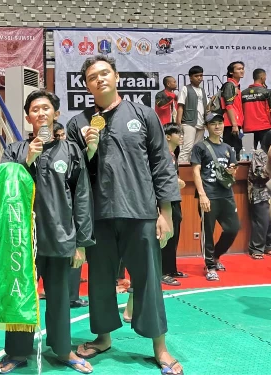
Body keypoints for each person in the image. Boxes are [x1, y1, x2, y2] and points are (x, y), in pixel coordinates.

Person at [66, 55, 183, 375]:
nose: (100, 79)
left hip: (141, 212)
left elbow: (162, 165)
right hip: (98, 216)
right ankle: (103, 338)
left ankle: (160, 348)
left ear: (116, 77)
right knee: (100, 282)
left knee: (148, 281)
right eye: (92, 76)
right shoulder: (78, 123)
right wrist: (89, 151)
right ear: (86, 85)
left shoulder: (142, 114)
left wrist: (166, 213)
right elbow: (75, 175)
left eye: (105, 73)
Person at [0, 89, 95, 374]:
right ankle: (16, 352)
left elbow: (83, 197)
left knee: (61, 297)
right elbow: (4, 188)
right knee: (21, 297)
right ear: (27, 117)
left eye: (45, 108)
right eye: (35, 110)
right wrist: (26, 160)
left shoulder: (72, 151)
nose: (40, 113)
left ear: (55, 114)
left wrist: (81, 243)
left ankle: (63, 349)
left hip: (61, 237)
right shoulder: (13, 150)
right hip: (22, 240)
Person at [191, 113, 240, 281]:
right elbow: (196, 171)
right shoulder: (200, 147)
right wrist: (202, 195)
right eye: (213, 124)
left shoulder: (228, 148)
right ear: (206, 127)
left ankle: (217, 255)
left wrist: (231, 171)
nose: (217, 126)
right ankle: (210, 266)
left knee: (233, 228)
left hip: (226, 195)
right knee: (208, 232)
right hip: (209, 195)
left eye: (220, 123)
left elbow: (233, 172)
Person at [161, 124, 188, 286]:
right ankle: (161, 272)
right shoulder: (163, 155)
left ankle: (171, 268)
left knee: (174, 234)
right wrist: (178, 182)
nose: (181, 136)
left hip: (175, 199)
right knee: (166, 235)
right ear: (167, 136)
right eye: (177, 133)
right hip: (166, 201)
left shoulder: (173, 155)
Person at [246, 131, 271, 259]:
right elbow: (259, 175)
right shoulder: (259, 153)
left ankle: (269, 246)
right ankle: (256, 248)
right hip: (259, 190)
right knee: (262, 220)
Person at [176, 66, 207, 164]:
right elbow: (180, 106)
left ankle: (193, 171)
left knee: (197, 149)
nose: (199, 78)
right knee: (187, 148)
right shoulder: (185, 89)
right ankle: (181, 172)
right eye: (196, 76)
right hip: (188, 122)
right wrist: (178, 123)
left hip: (201, 123)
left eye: (201, 75)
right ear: (190, 77)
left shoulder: (202, 90)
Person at [221, 61, 245, 158]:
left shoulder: (235, 86)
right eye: (239, 69)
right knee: (232, 152)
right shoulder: (229, 85)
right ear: (231, 72)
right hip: (230, 124)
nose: (242, 71)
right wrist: (234, 124)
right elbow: (229, 105)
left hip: (236, 123)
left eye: (242, 68)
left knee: (238, 150)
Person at [242, 68, 271, 149]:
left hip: (248, 128)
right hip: (264, 127)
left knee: (247, 155)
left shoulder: (243, 93)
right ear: (262, 77)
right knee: (266, 154)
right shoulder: (267, 92)